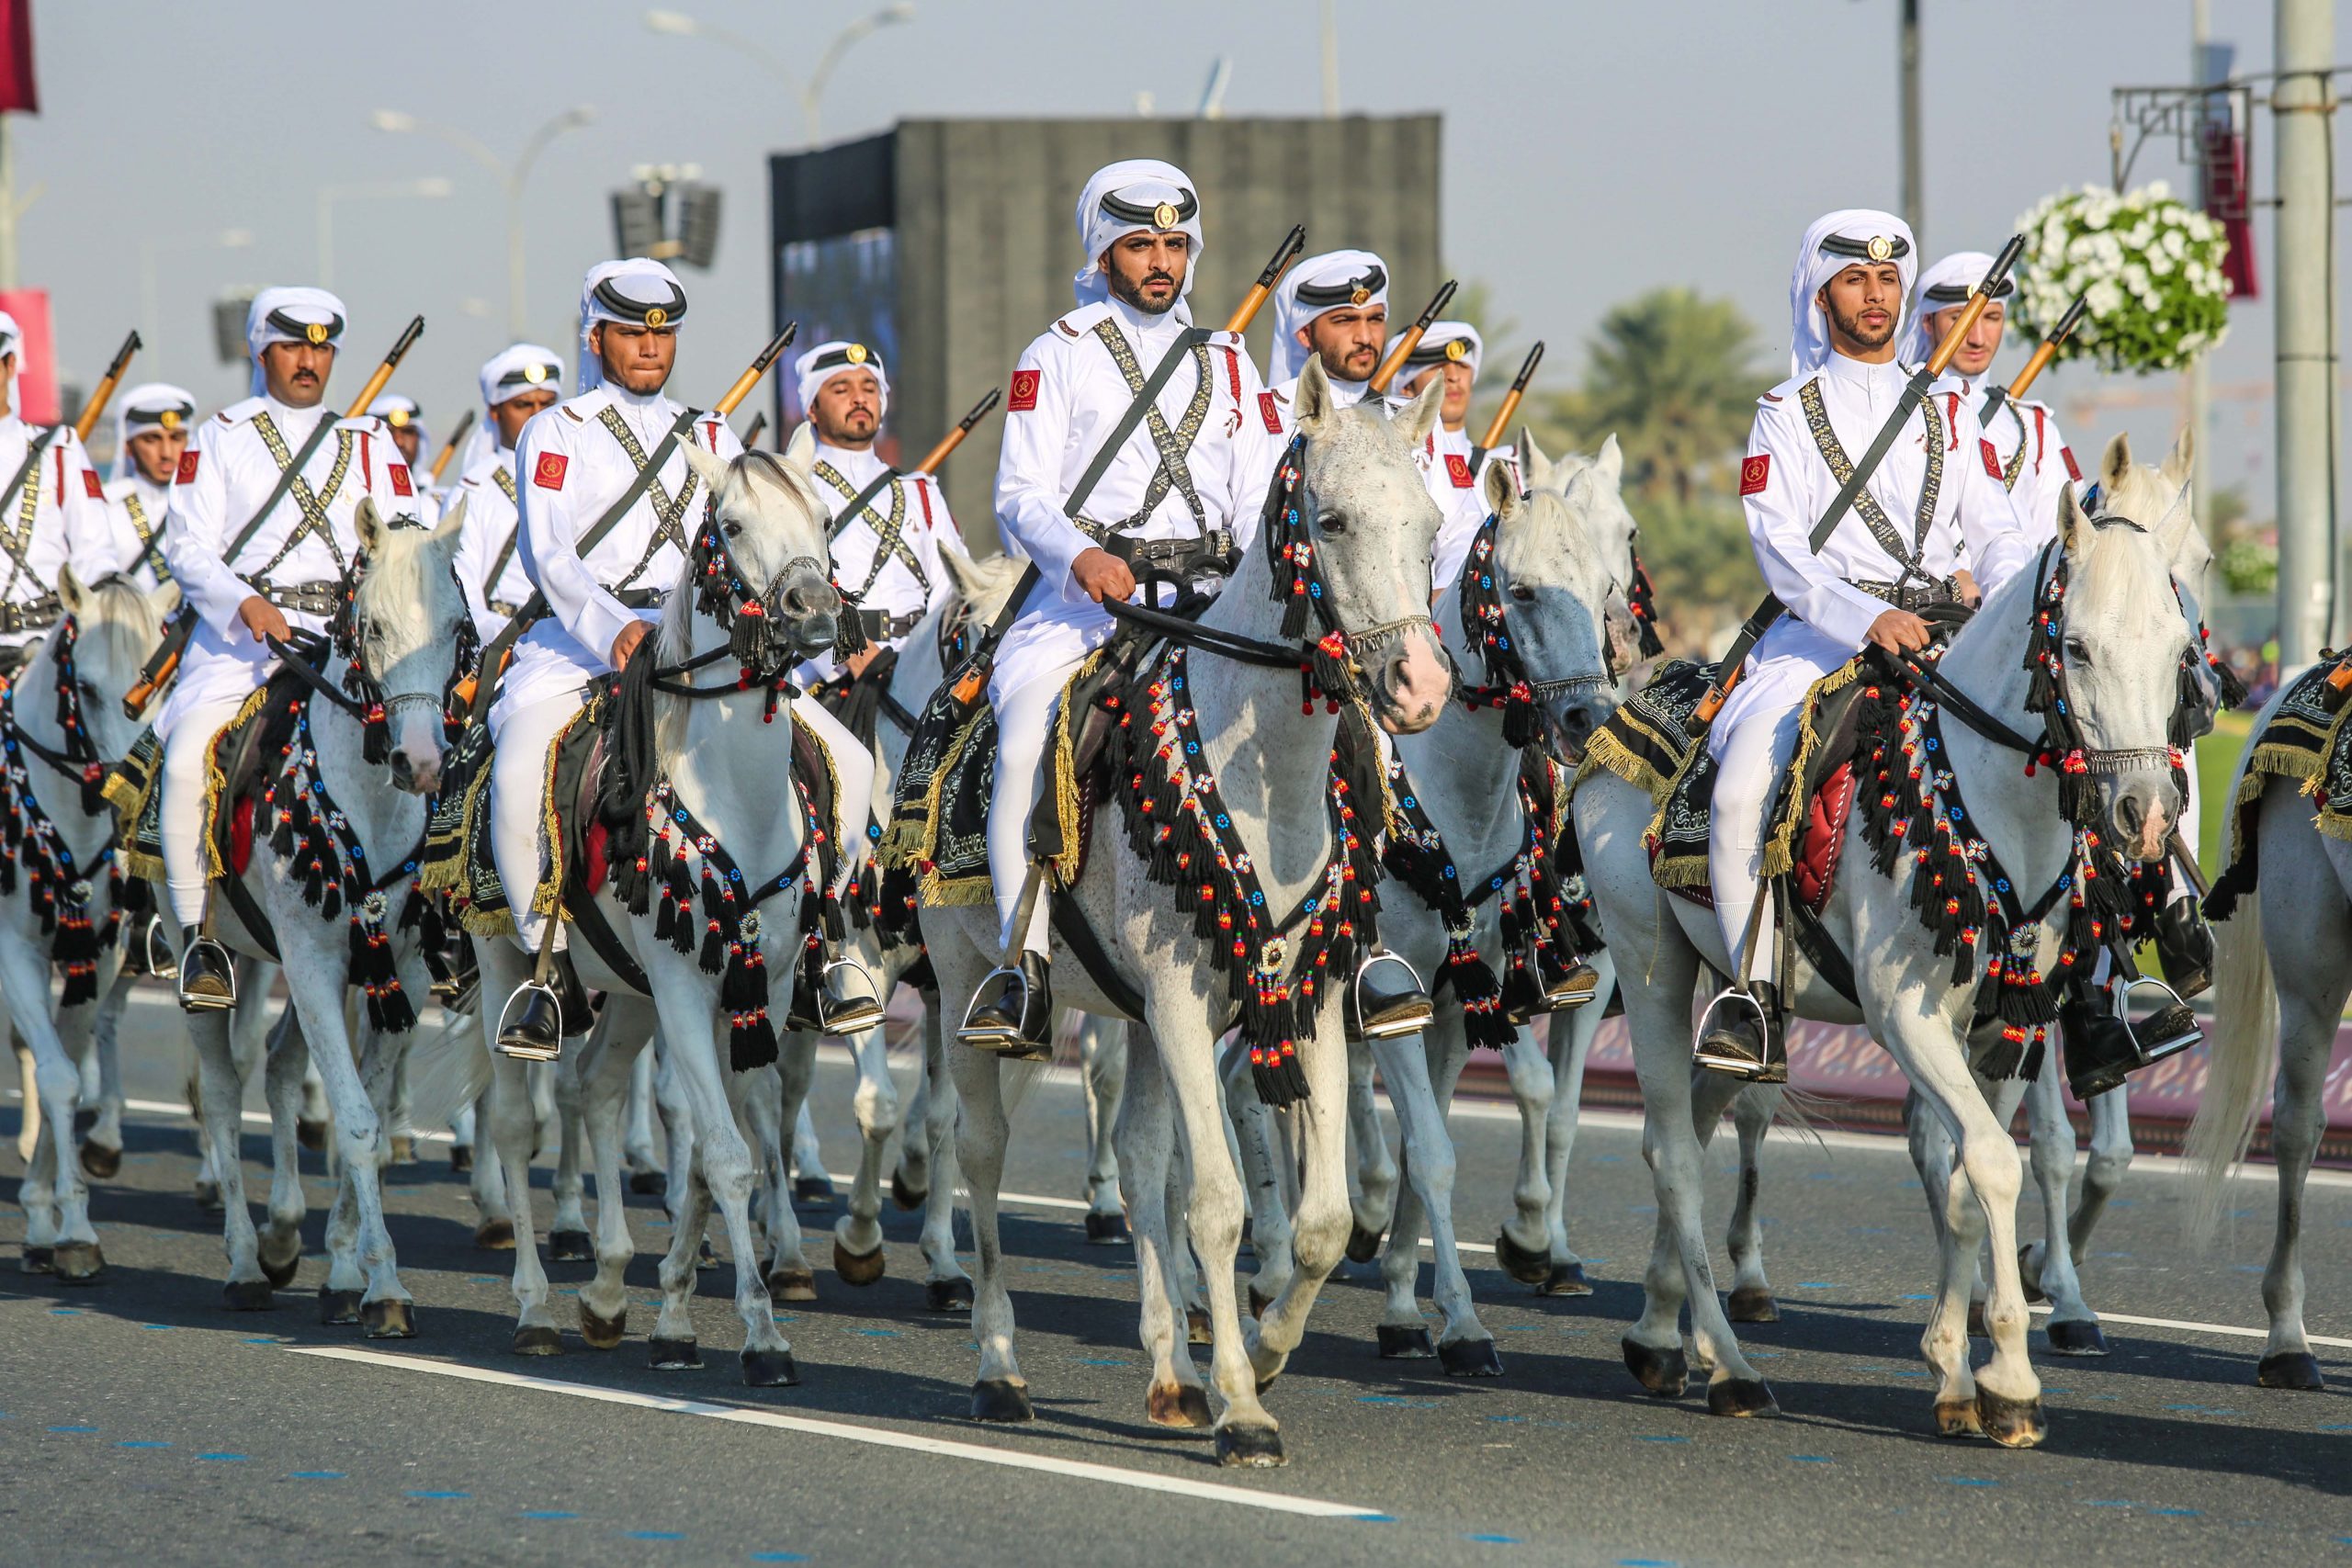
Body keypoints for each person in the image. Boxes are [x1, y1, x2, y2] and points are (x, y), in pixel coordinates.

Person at [485, 259, 880, 1059]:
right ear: (595, 336)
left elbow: (757, 541)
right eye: (632, 332)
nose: (649, 348)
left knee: (848, 763)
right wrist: (609, 628)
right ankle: (547, 965)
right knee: (523, 764)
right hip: (583, 644)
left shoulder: (710, 434)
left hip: (700, 646)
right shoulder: (556, 431)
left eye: (662, 334)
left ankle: (821, 944)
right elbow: (547, 551)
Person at [1695, 212, 2039, 1081]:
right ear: (1822, 294)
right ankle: (1752, 996)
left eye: (1889, 280)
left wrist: (2010, 603)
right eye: (1856, 279)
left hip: (1947, 635)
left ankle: (2090, 981)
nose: (1876, 294)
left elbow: (1995, 532)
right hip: (1819, 639)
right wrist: (1864, 618)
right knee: (1740, 793)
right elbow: (1783, 554)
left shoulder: (1951, 413)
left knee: (2071, 750)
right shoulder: (1783, 413)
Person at [956, 159, 1278, 1052]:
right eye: (1140, 244)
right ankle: (1021, 966)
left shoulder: (1227, 357)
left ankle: (1353, 941)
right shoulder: (1055, 352)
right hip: (1085, 606)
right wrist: (1081, 555)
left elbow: (1253, 494)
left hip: (1211, 602)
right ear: (1104, 254)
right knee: (1025, 741)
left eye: (1175, 244)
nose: (1160, 260)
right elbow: (1020, 496)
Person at [159, 288, 418, 1008]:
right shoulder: (220, 435)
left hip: (347, 644)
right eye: (293, 347)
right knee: (185, 763)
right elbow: (186, 545)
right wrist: (243, 601)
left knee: (432, 750)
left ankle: (434, 918)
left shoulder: (367, 441)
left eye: (322, 347)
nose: (309, 362)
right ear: (260, 349)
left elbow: (408, 536)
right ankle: (197, 937)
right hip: (245, 644)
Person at [788, 338, 961, 690]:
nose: (859, 398)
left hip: (918, 668)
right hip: (827, 672)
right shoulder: (792, 490)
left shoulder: (921, 492)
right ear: (812, 408)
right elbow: (780, 587)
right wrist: (843, 651)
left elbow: (952, 590)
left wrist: (927, 658)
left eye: (869, 388)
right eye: (841, 388)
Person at [1905, 252, 2081, 542]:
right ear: (1927, 323)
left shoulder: (2033, 428)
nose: (1977, 337)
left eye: (1991, 318)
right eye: (1960, 319)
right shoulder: (1899, 408)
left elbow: (2059, 536)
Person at [447, 344, 563, 640]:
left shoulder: (580, 476)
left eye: (547, 404)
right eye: (524, 405)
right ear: (495, 412)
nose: (538, 415)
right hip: (500, 643)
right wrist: (503, 634)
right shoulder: (473, 490)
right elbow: (461, 586)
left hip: (573, 636)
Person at [1393, 321, 1498, 592]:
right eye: (1437, 366)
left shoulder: (1504, 466)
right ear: (1405, 387)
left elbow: (1461, 534)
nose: (1453, 376)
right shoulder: (1393, 458)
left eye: (1462, 365)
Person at [1259, 248, 1393, 434]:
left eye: (1375, 319)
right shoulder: (1267, 420)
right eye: (1345, 320)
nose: (1364, 337)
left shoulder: (1403, 421)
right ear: (1305, 334)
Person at [100, 382, 197, 592]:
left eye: (176, 438)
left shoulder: (202, 503)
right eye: (152, 439)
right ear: (128, 445)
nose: (166, 452)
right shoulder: (105, 508)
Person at [368, 394, 438, 522]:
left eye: (407, 432)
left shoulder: (436, 505)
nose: (399, 441)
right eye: (389, 432)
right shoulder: (355, 496)